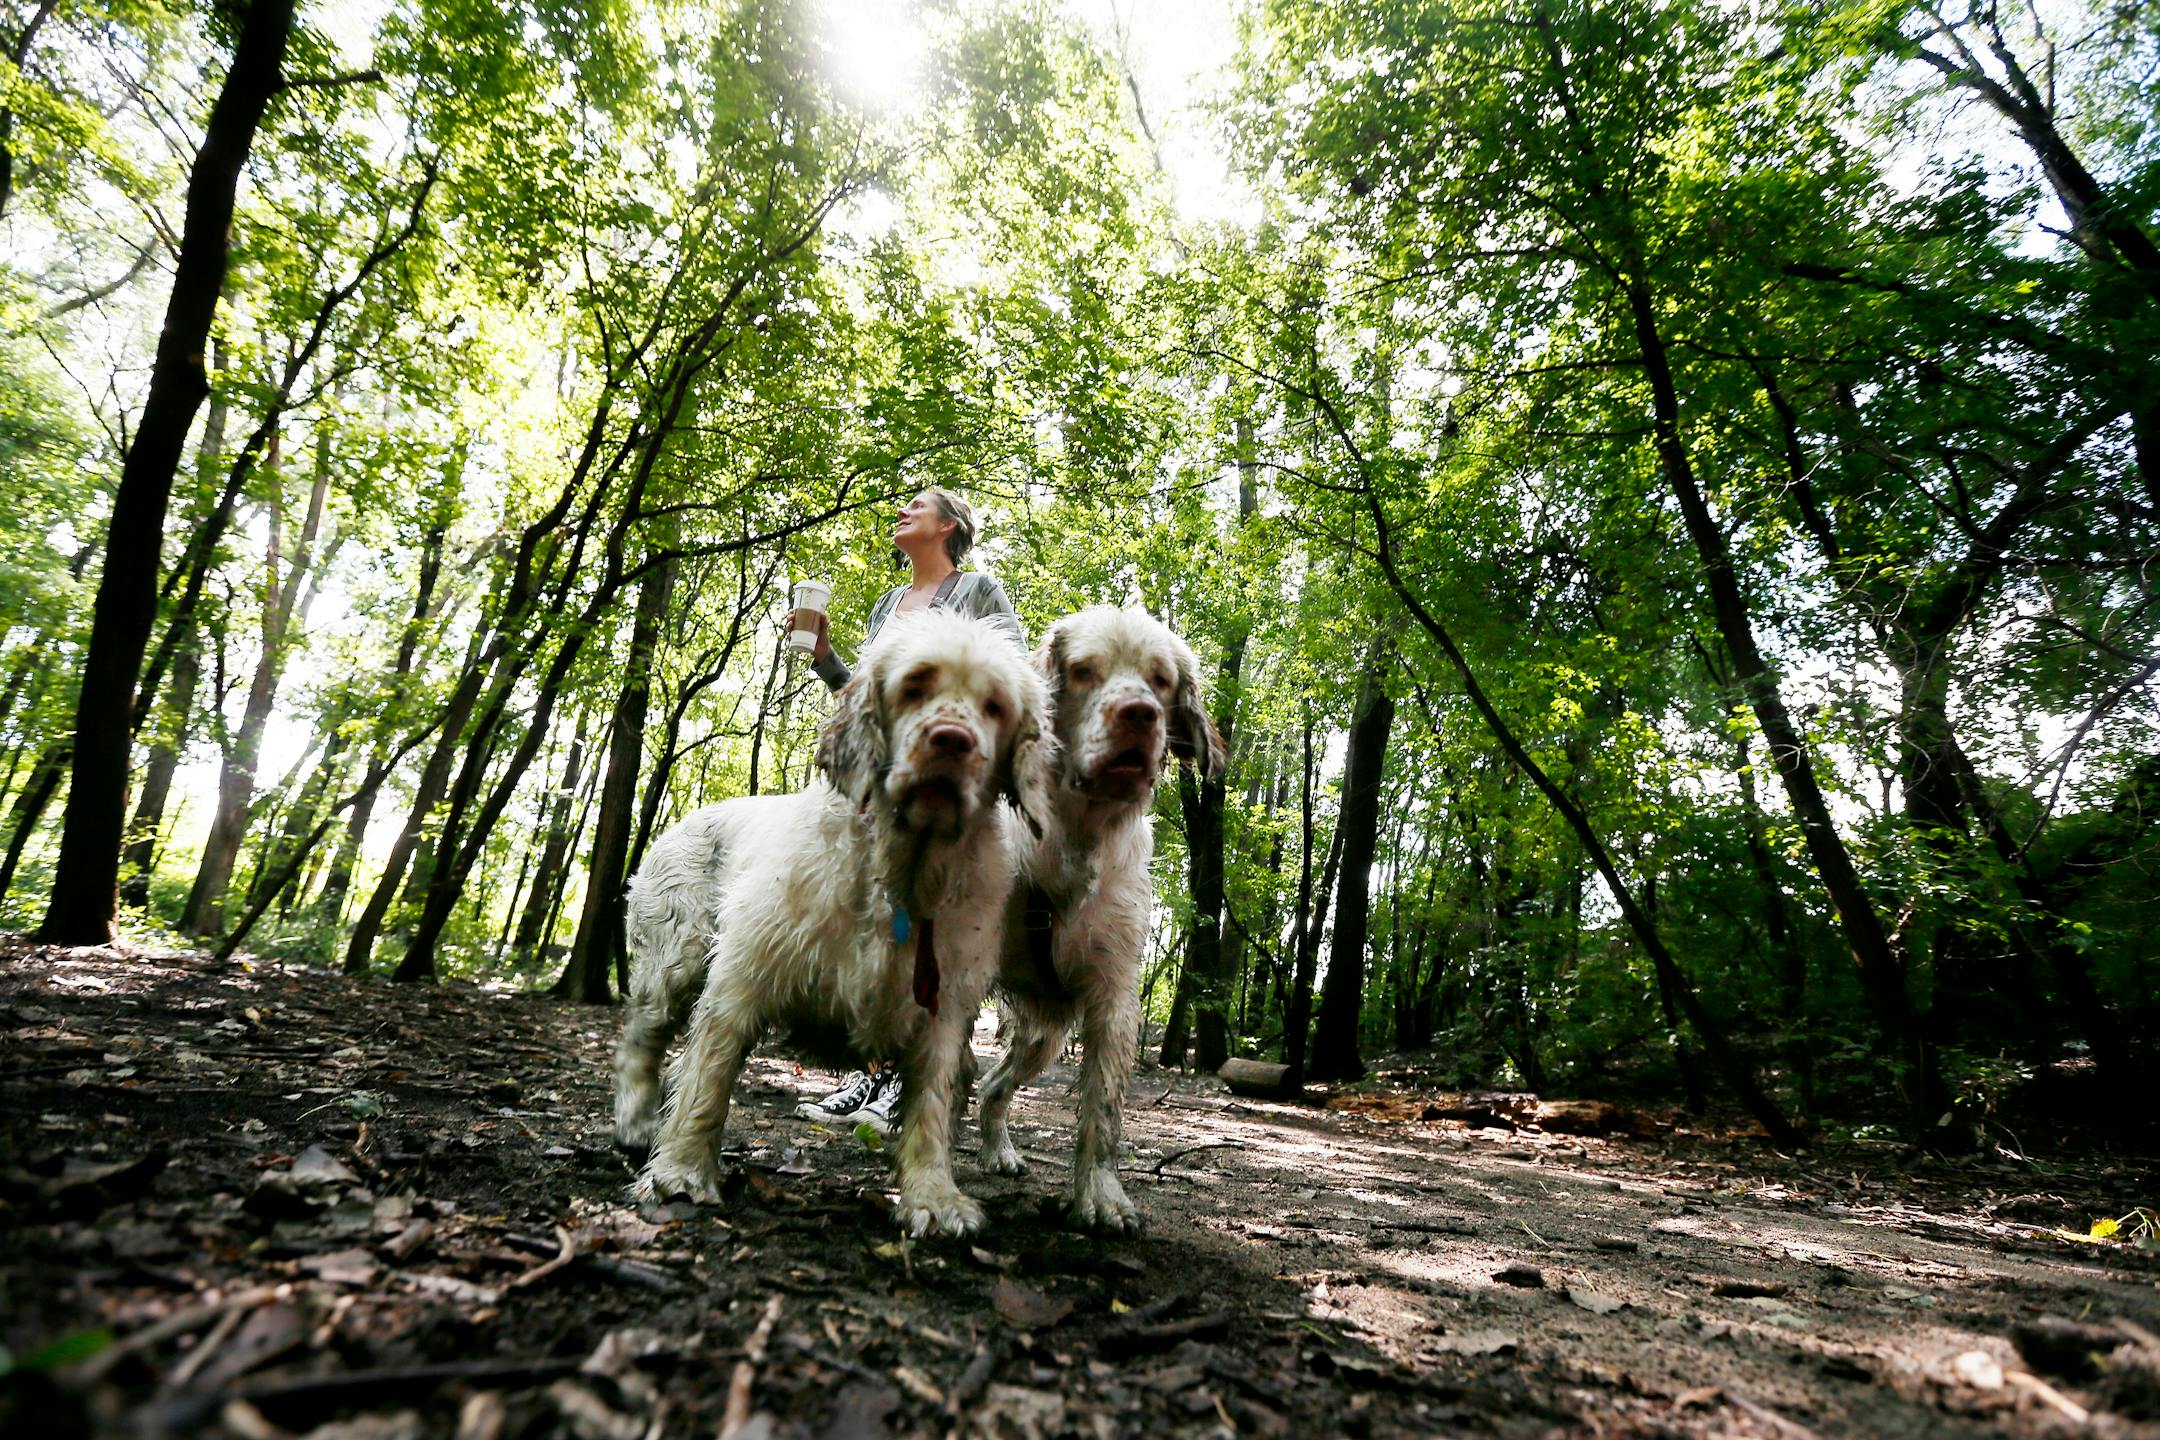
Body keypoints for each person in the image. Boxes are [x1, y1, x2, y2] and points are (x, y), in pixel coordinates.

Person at [793, 486, 1025, 1134]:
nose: (902, 512)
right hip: (877, 795)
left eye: (916, 505)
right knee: (880, 927)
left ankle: (920, 1078)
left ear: (949, 525)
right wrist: (826, 660)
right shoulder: (885, 605)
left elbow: (1004, 679)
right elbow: (867, 702)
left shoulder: (979, 592)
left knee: (929, 930)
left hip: (950, 796)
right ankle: (873, 1072)